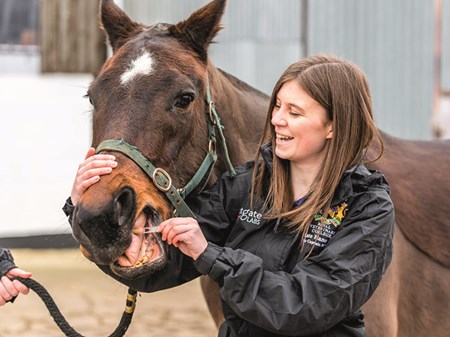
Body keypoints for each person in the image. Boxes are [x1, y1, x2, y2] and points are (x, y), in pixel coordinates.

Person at [65, 54, 395, 337]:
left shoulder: (368, 207)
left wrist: (211, 255)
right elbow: (159, 264)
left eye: (294, 112)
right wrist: (88, 214)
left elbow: (305, 305)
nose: (277, 119)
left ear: (333, 126)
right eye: (277, 105)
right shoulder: (244, 187)